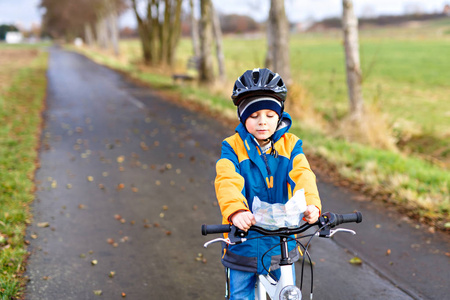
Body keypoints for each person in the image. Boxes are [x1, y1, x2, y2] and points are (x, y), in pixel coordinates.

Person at [214, 68, 322, 299]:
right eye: (254, 116)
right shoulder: (232, 146)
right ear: (243, 117)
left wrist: (311, 204)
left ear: (279, 116)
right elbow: (227, 180)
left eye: (270, 115)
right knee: (241, 294)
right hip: (243, 240)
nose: (262, 122)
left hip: (280, 242)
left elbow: (303, 174)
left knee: (287, 292)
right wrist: (235, 211)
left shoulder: (291, 145)